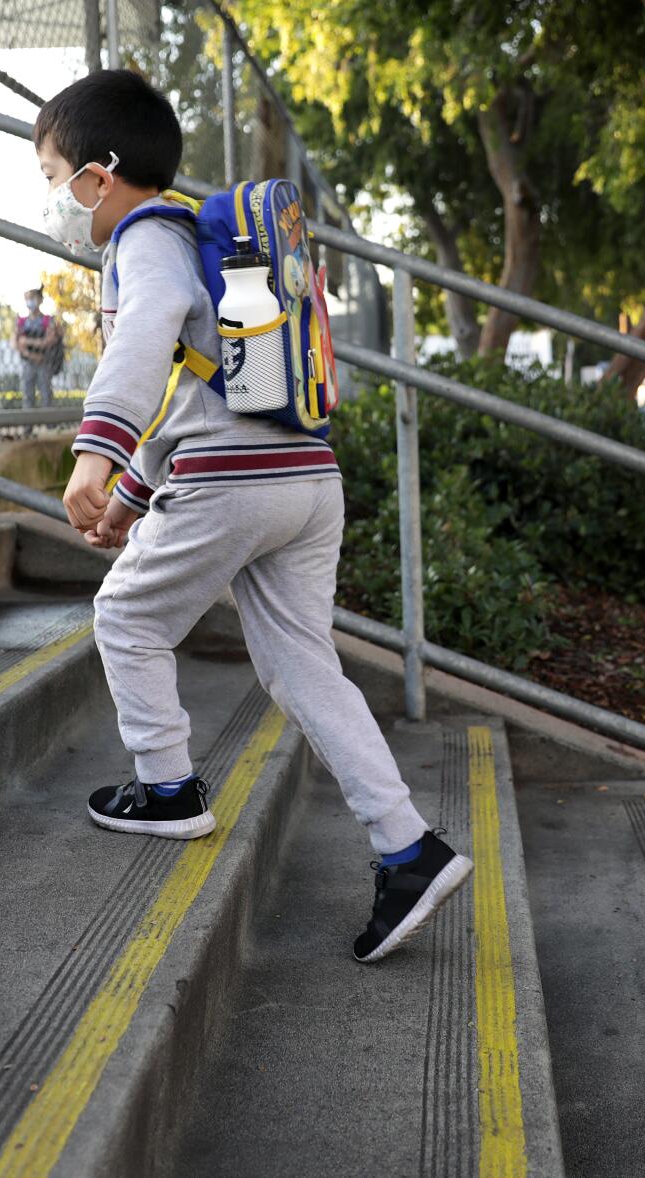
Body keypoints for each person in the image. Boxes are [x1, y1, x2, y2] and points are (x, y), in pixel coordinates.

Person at [36, 69, 472, 963]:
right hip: (305, 478)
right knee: (305, 667)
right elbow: (198, 393)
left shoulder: (146, 239)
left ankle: (166, 790)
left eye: (53, 177)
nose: (53, 199)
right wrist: (131, 496)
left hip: (232, 484)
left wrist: (98, 448)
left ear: (99, 175)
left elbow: (148, 334)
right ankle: (406, 847)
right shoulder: (203, 236)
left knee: (125, 617)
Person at [15, 285, 64, 407]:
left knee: (46, 393)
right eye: (26, 298)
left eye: (32, 298)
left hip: (44, 361)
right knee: (27, 394)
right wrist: (30, 353)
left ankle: (49, 424)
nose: (29, 301)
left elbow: (49, 340)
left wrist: (26, 341)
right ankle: (28, 424)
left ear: (40, 300)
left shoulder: (47, 320)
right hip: (28, 362)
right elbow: (16, 342)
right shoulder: (22, 321)